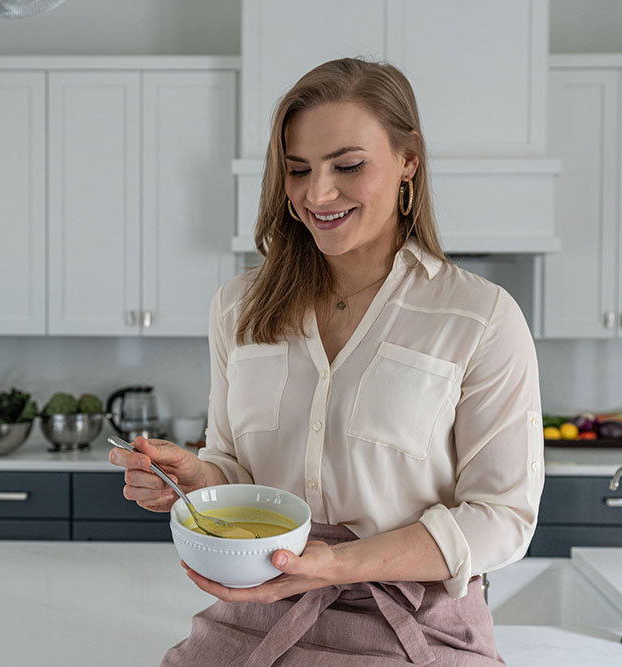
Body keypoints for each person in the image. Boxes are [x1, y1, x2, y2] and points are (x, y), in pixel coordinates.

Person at [109, 57, 544, 666]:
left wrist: (333, 564)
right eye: (297, 170)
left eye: (348, 165)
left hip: (414, 626)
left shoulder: (478, 316)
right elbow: (237, 468)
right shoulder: (238, 307)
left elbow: (503, 518)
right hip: (253, 614)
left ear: (408, 161)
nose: (317, 193)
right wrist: (199, 481)